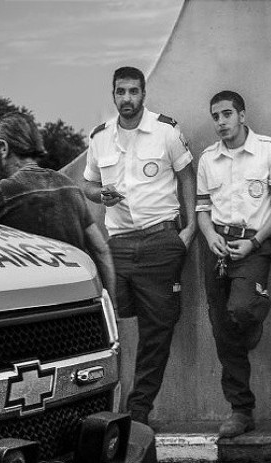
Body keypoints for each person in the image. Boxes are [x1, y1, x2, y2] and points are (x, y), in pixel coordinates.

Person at [80, 66, 196, 426]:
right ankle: (94, 404)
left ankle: (138, 411)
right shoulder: (99, 138)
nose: (127, 98)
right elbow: (87, 186)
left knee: (156, 331)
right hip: (118, 246)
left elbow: (186, 176)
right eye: (120, 92)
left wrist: (189, 229)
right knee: (108, 323)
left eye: (133, 91)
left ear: (143, 94)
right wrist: (101, 194)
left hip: (161, 240)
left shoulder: (166, 131)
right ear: (112, 95)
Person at [196, 91, 271, 438]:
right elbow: (202, 209)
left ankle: (255, 314)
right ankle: (241, 410)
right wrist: (209, 237)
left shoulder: (269, 149)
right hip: (216, 246)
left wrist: (253, 241)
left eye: (226, 114)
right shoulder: (208, 158)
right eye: (215, 116)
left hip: (255, 242)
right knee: (222, 328)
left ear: (241, 114)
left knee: (242, 310)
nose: (221, 122)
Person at [0, 112, 115, 302]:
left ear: (3, 148)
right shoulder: (69, 186)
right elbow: (100, 250)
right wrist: (112, 308)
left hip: (30, 316)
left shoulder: (3, 192)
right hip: (77, 314)